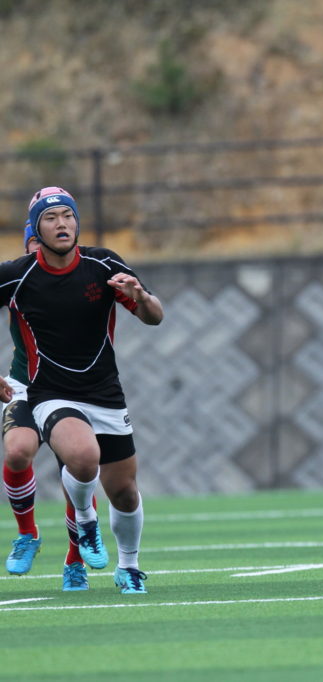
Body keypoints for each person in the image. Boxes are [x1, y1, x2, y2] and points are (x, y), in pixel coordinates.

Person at [0, 187, 164, 594]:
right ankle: (82, 525)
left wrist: (140, 296)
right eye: (51, 217)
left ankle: (129, 567)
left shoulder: (103, 263)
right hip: (49, 393)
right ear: (35, 228)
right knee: (82, 456)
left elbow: (154, 317)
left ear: (77, 222)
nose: (62, 224)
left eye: (68, 216)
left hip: (106, 394)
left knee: (124, 493)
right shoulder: (16, 275)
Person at [3, 218, 101, 590]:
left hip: (71, 392)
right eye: (33, 242)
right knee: (17, 451)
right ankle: (27, 534)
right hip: (24, 388)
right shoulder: (17, 277)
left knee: (77, 469)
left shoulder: (81, 275)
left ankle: (75, 560)